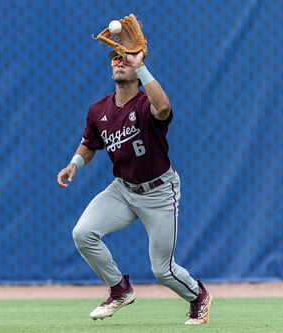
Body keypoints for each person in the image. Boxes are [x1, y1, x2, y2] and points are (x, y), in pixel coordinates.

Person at [56, 49, 212, 325]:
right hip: (124, 189)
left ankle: (197, 295)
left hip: (160, 191)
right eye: (115, 59)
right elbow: (91, 143)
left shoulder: (145, 104)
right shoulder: (99, 110)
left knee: (163, 271)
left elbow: (163, 108)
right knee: (83, 233)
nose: (119, 63)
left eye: (125, 60)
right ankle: (119, 289)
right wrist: (74, 164)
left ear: (138, 70)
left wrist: (141, 67)